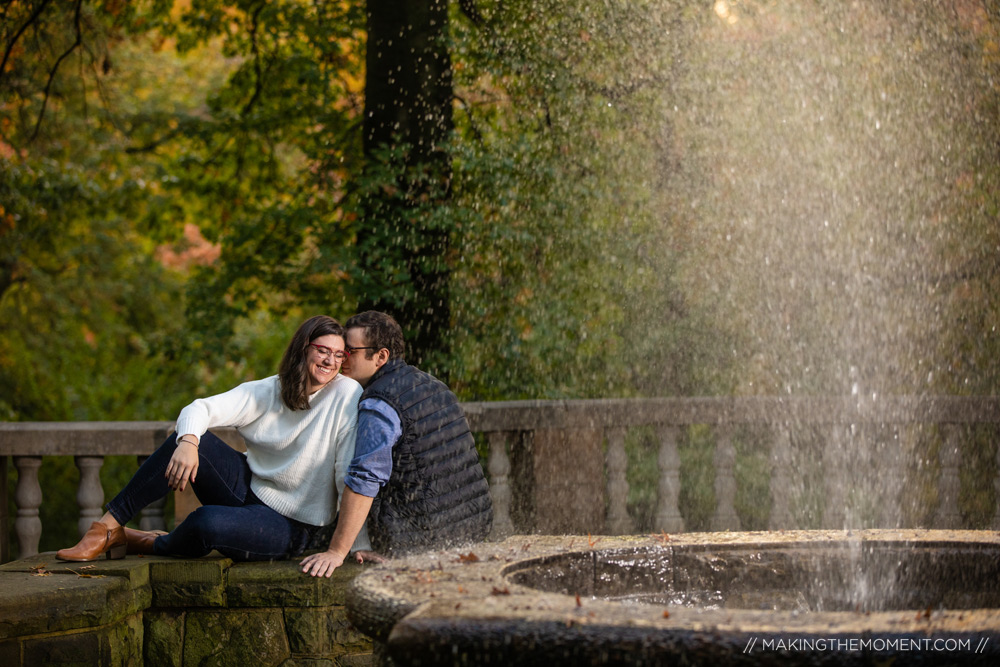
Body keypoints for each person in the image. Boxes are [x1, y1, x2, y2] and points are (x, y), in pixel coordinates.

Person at [57, 315, 373, 574]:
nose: (330, 361)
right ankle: (107, 528)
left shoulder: (346, 395)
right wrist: (189, 442)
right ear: (304, 348)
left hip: (292, 525)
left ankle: (154, 543)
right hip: (251, 488)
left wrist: (353, 545)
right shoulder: (272, 389)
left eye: (339, 354)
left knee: (206, 522)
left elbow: (348, 470)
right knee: (193, 438)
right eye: (322, 350)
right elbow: (199, 408)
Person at [301, 311, 493, 577]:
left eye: (350, 351)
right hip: (471, 529)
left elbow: (364, 480)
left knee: (305, 532)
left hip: (419, 540)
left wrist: (337, 551)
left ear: (381, 356)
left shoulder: (379, 403)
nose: (341, 358)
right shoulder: (432, 385)